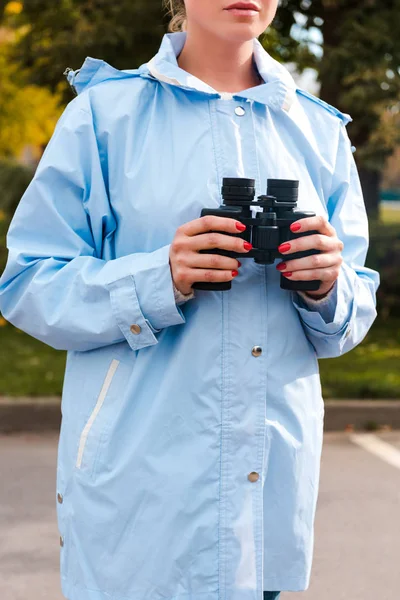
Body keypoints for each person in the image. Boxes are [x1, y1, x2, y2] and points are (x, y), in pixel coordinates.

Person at [0, 1, 379, 600]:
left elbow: (353, 312)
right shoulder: (104, 117)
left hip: (264, 502)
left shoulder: (319, 129)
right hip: (138, 503)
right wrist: (160, 279)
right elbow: (27, 283)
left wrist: (329, 287)